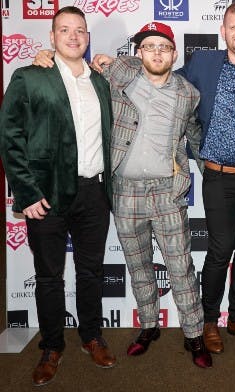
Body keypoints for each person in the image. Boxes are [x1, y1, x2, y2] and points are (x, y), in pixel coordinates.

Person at [33, 22, 212, 368]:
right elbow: (73, 66)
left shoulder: (189, 93)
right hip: (124, 191)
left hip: (167, 193)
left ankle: (193, 334)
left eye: (163, 47)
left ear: (174, 54)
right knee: (138, 264)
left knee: (181, 267)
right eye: (149, 47)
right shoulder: (118, 76)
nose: (157, 53)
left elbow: (195, 137)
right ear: (138, 53)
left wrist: (213, 179)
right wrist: (45, 56)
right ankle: (148, 326)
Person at [0, 6, 116, 387]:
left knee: (91, 271)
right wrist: (26, 191)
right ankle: (52, 345)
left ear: (87, 37)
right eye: (64, 30)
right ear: (51, 38)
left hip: (93, 192)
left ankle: (91, 336)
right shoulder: (31, 76)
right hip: (46, 195)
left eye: (79, 30)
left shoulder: (101, 80)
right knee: (49, 276)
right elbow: (10, 136)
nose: (73, 36)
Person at [175, 1, 235, 353]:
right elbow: (160, 77)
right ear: (222, 32)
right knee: (220, 249)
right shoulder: (203, 63)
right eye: (233, 27)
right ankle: (209, 319)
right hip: (217, 176)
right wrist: (115, 63)